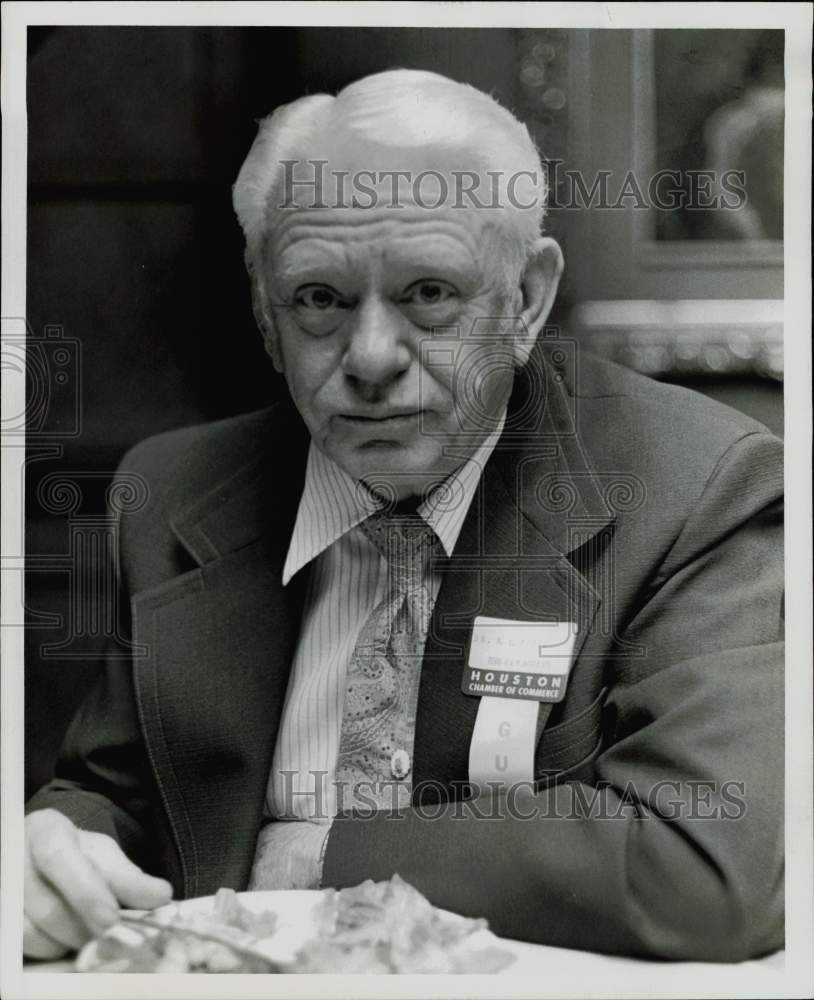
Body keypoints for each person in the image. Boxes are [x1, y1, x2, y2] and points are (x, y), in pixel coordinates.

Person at [24, 70, 783, 962]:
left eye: (429, 293)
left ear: (527, 299)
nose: (371, 357)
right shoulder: (173, 493)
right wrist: (53, 846)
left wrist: (316, 855)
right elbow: (113, 793)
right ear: (265, 314)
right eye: (319, 299)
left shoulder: (693, 485)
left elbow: (707, 869)